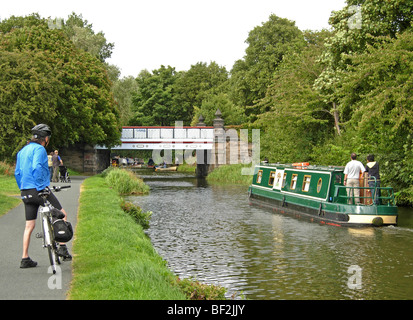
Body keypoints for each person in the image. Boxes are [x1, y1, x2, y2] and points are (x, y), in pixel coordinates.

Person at [15, 124, 72, 269]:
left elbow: (17, 173)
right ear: (45, 138)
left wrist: (22, 186)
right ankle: (62, 247)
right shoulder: (39, 149)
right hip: (38, 189)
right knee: (62, 214)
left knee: (29, 225)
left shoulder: (22, 151)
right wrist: (42, 187)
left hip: (25, 191)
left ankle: (25, 258)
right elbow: (36, 167)